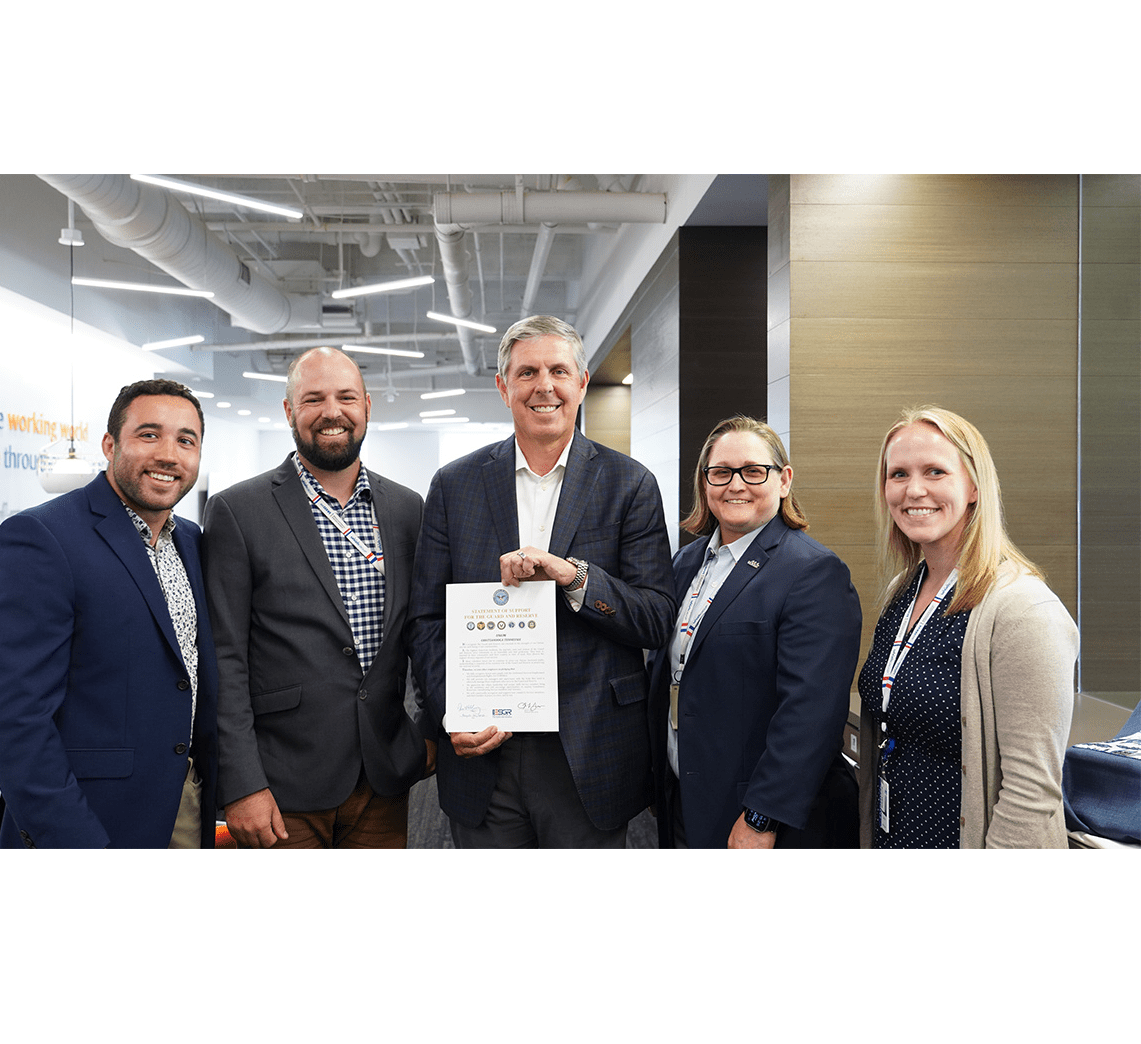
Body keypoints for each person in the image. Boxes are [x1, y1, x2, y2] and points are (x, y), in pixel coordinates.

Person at [406, 315, 676, 848]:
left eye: (558, 370)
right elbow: (426, 620)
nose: (544, 386)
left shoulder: (630, 483)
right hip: (486, 750)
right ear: (504, 386)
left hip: (590, 747)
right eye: (527, 372)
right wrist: (450, 712)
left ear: (581, 381)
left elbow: (656, 615)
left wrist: (575, 577)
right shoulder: (453, 485)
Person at [0, 379, 218, 848]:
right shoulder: (40, 538)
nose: (169, 454)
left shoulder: (192, 541)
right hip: (84, 823)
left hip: (184, 808)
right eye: (149, 435)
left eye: (186, 440)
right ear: (109, 444)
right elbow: (15, 722)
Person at [202, 347, 430, 849]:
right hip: (282, 785)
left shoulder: (407, 509)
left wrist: (431, 730)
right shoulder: (238, 511)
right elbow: (223, 658)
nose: (333, 411)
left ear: (367, 406)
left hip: (383, 778)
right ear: (289, 412)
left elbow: (425, 632)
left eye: (346, 397)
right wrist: (241, 783)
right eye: (313, 399)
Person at [858, 406, 1079, 848]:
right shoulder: (905, 590)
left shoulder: (1023, 610)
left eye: (935, 471)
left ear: (974, 486)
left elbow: (1031, 795)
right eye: (898, 474)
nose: (913, 490)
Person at [649, 415, 862, 849]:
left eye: (753, 471)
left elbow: (810, 714)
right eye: (721, 473)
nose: (735, 485)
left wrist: (762, 817)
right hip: (688, 796)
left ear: (783, 481)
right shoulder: (686, 563)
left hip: (758, 815)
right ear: (705, 483)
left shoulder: (812, 571)